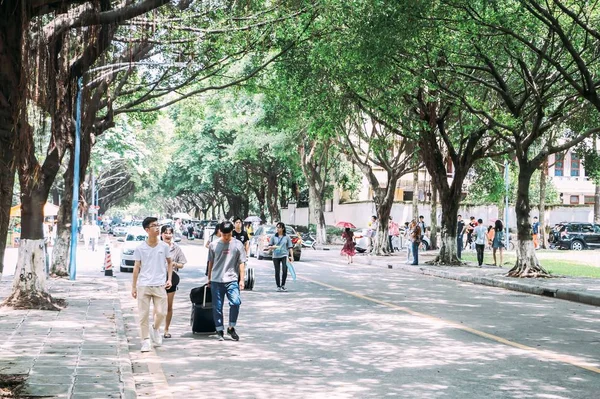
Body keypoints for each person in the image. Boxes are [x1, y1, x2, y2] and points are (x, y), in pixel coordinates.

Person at [132, 217, 173, 352]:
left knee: (161, 313)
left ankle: (155, 329)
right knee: (143, 315)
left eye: (158, 225)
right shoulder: (140, 248)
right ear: (147, 230)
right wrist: (133, 286)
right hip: (144, 285)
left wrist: (169, 279)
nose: (157, 228)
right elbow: (136, 267)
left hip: (160, 284)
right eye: (154, 226)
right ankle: (145, 341)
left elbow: (170, 262)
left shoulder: (164, 246)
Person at [207, 221, 246, 341]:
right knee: (217, 307)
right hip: (216, 280)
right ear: (220, 232)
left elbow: (241, 263)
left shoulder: (238, 244)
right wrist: (209, 278)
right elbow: (210, 262)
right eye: (224, 235)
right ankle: (219, 330)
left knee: (235, 302)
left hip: (232, 279)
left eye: (228, 235)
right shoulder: (213, 245)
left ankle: (231, 327)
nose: (226, 237)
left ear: (232, 232)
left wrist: (242, 280)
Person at [160, 225, 187, 339]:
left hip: (172, 279)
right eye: (165, 233)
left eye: (170, 233)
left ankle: (166, 329)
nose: (168, 235)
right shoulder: (157, 246)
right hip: (158, 279)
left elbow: (182, 264)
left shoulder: (176, 248)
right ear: (161, 234)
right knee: (158, 306)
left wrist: (174, 264)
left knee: (169, 306)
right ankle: (155, 328)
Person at [268, 222, 294, 291]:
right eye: (277, 227)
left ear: (282, 228)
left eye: (279, 227)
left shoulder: (287, 237)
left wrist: (292, 256)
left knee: (285, 270)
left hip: (284, 255)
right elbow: (269, 246)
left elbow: (290, 247)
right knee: (277, 271)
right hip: (275, 256)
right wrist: (273, 247)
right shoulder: (273, 236)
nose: (278, 229)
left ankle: (283, 285)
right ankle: (278, 286)